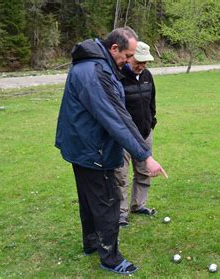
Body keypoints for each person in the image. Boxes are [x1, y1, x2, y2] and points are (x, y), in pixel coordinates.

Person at [55, 27, 167, 275]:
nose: (129, 62)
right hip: (94, 150)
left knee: (89, 199)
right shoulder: (96, 72)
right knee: (108, 201)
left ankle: (92, 243)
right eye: (127, 56)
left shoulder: (94, 65)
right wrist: (145, 156)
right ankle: (111, 258)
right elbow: (116, 117)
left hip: (81, 147)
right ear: (114, 49)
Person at [115, 42, 158, 227]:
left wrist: (151, 122)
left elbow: (152, 102)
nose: (141, 66)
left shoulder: (148, 76)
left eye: (145, 62)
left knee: (143, 171)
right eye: (138, 61)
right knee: (120, 175)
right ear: (129, 57)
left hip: (144, 133)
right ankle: (121, 213)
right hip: (123, 136)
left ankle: (138, 205)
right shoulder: (118, 76)